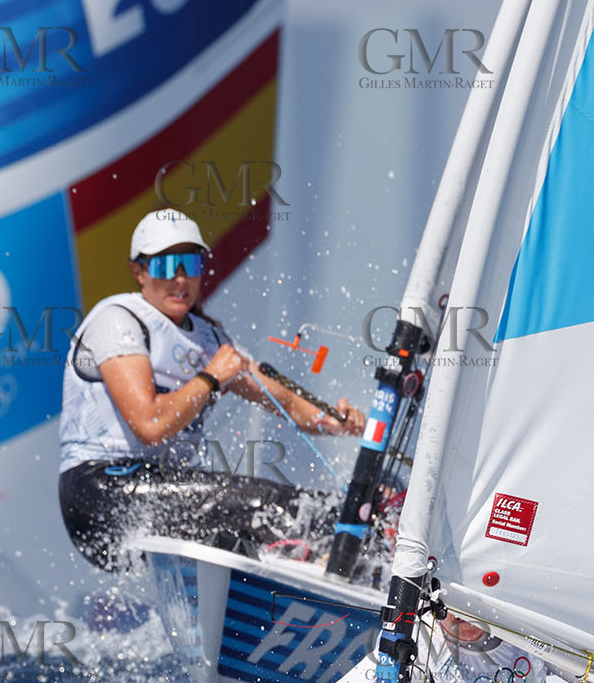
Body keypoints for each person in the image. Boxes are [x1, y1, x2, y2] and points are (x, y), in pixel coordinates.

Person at [58, 209, 364, 569]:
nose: (180, 278)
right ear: (139, 272)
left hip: (161, 489)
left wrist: (333, 420)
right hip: (99, 493)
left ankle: (358, 565)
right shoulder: (118, 320)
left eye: (191, 264)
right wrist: (210, 378)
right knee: (265, 507)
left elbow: (285, 400)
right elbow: (150, 426)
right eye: (165, 266)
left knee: (305, 509)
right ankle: (335, 563)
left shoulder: (209, 339)